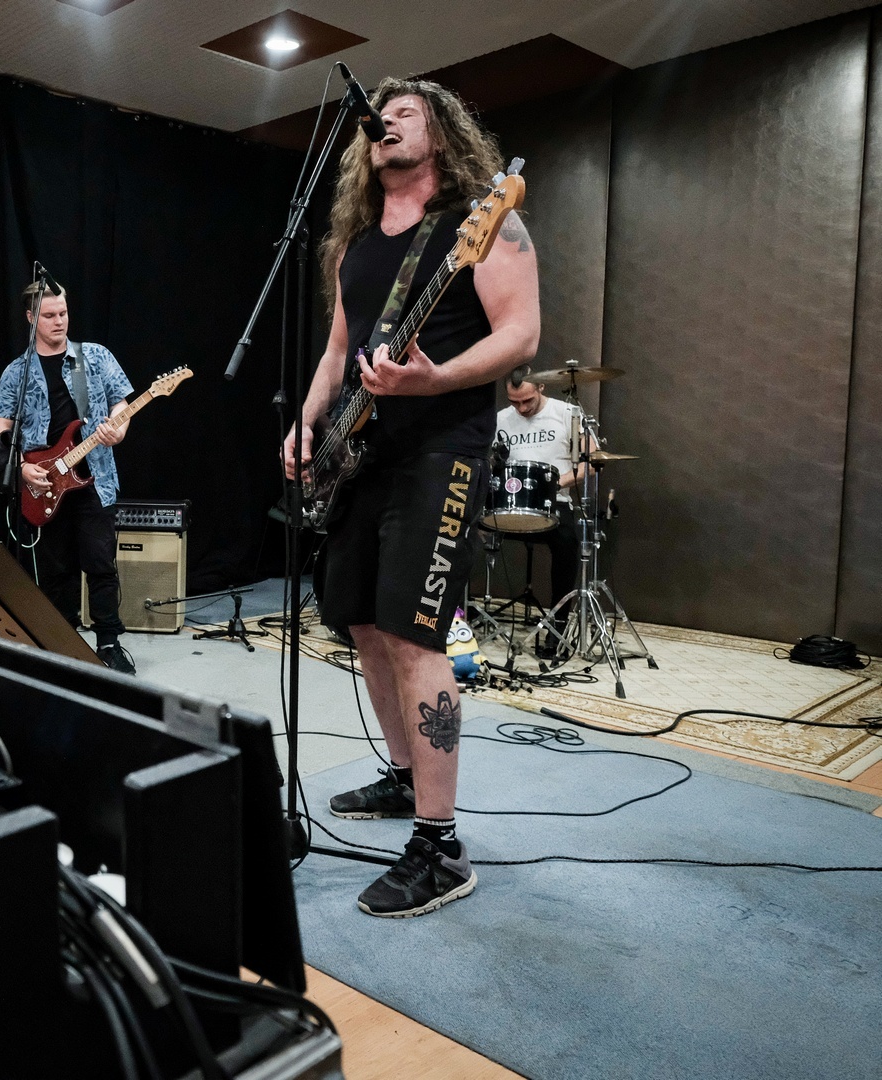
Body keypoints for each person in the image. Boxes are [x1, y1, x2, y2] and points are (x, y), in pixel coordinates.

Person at [282, 78, 539, 917]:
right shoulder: (356, 243)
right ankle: (403, 776)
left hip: (441, 448)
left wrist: (434, 380)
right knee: (360, 621)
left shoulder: (483, 221)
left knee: (413, 630)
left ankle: (441, 845)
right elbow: (338, 351)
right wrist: (307, 425)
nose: (385, 121)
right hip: (360, 454)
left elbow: (522, 334)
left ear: (442, 132)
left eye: (405, 113)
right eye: (379, 116)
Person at [0, 280, 136, 674]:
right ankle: (63, 643)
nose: (59, 321)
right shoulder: (17, 372)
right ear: (31, 317)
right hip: (44, 483)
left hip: (94, 477)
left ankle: (109, 644)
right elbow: (1, 432)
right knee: (56, 570)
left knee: (101, 564)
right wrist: (22, 469)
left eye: (64, 313)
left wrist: (118, 430)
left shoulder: (94, 357)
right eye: (50, 315)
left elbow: (121, 404)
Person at [494, 366, 596, 643]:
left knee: (567, 540)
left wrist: (557, 483)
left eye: (527, 400)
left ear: (541, 387)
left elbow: (591, 462)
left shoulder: (567, 414)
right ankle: (458, 618)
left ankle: (558, 624)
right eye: (515, 402)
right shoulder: (500, 419)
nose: (522, 408)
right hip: (511, 504)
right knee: (463, 527)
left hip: (554, 503)